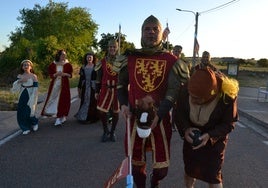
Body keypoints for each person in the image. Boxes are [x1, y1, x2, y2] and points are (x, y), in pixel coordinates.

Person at [113, 15, 189, 188]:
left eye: (155, 29)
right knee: (136, 164)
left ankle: (155, 183)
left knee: (162, 169)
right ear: (141, 32)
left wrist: (160, 114)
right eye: (147, 29)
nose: (151, 32)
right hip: (134, 116)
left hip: (160, 120)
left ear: (162, 33)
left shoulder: (172, 61)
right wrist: (124, 104)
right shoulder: (130, 58)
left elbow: (172, 91)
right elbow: (121, 85)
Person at [175, 67, 239, 188]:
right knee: (190, 170)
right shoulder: (186, 89)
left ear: (210, 95)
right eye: (191, 96)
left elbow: (229, 123)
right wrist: (186, 129)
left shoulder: (227, 96)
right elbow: (179, 113)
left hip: (214, 141)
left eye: (197, 99)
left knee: (213, 176)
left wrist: (210, 136)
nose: (192, 100)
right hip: (192, 137)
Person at [95, 39, 120, 142]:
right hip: (105, 89)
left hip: (117, 90)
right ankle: (105, 131)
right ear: (108, 48)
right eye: (110, 47)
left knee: (116, 112)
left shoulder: (121, 61)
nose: (112, 49)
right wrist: (97, 91)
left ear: (117, 48)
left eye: (114, 47)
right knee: (102, 111)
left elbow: (125, 76)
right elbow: (98, 77)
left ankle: (113, 131)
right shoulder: (103, 61)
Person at [41, 49, 73, 126]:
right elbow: (51, 75)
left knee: (63, 100)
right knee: (53, 99)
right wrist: (56, 74)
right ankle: (56, 115)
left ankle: (60, 117)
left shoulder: (68, 64)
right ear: (58, 55)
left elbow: (70, 75)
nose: (64, 56)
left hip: (64, 85)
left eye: (65, 55)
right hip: (55, 85)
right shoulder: (53, 64)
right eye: (62, 55)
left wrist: (64, 74)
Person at [11, 60, 39, 135]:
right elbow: (15, 85)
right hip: (23, 93)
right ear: (22, 67)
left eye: (27, 65)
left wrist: (34, 96)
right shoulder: (20, 76)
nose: (26, 66)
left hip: (31, 94)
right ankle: (25, 127)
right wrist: (20, 81)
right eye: (24, 65)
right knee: (21, 110)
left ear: (30, 67)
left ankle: (34, 123)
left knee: (30, 110)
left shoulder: (33, 76)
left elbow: (36, 87)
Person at [74, 52, 99, 123]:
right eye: (88, 57)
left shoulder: (96, 67)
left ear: (93, 58)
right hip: (85, 87)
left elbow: (98, 79)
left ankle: (91, 118)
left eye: (90, 57)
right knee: (85, 101)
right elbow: (81, 79)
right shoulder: (83, 67)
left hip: (93, 87)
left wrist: (98, 89)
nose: (89, 58)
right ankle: (83, 116)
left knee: (92, 102)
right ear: (86, 58)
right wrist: (79, 89)